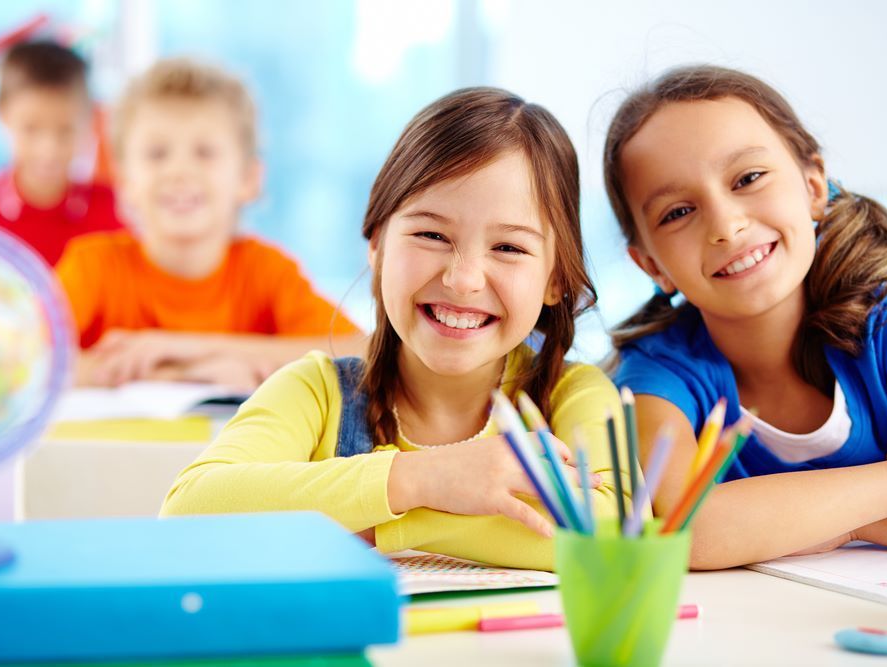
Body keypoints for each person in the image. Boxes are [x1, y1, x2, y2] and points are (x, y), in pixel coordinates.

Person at [162, 87, 628, 570]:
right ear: (378, 245)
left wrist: (386, 522)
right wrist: (423, 478)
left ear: (555, 279)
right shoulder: (318, 393)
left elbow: (614, 531)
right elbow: (188, 510)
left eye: (508, 248)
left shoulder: (573, 394)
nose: (463, 279)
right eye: (431, 235)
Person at [604, 64, 887, 570]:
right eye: (677, 212)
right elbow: (685, 530)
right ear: (653, 265)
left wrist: (793, 519)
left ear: (812, 187)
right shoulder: (656, 375)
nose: (725, 224)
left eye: (748, 178)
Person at [56, 58, 364, 390]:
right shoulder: (93, 266)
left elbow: (367, 353)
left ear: (249, 178)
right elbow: (26, 359)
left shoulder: (267, 273)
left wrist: (190, 347)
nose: (179, 170)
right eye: (157, 153)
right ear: (126, 180)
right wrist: (182, 374)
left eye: (204, 152)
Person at [0, 40, 122, 265]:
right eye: (31, 128)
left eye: (65, 130)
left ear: (90, 119)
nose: (48, 149)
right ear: (3, 114)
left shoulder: (112, 210)